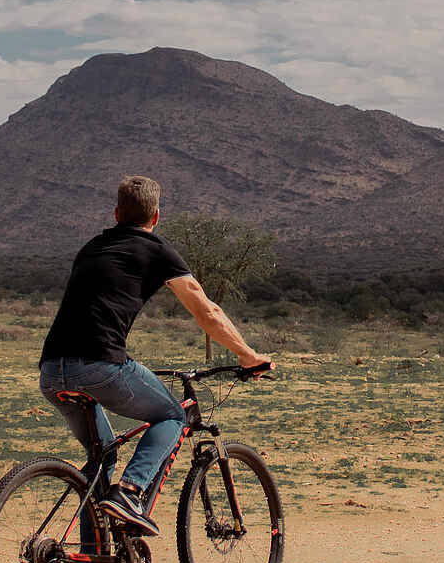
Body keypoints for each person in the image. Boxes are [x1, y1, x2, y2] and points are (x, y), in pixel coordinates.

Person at [39, 174, 271, 537]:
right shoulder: (156, 250)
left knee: (102, 459)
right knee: (171, 415)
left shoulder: (91, 247)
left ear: (116, 213)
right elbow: (206, 312)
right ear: (157, 216)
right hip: (101, 366)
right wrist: (247, 354)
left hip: (52, 371)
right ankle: (131, 493)